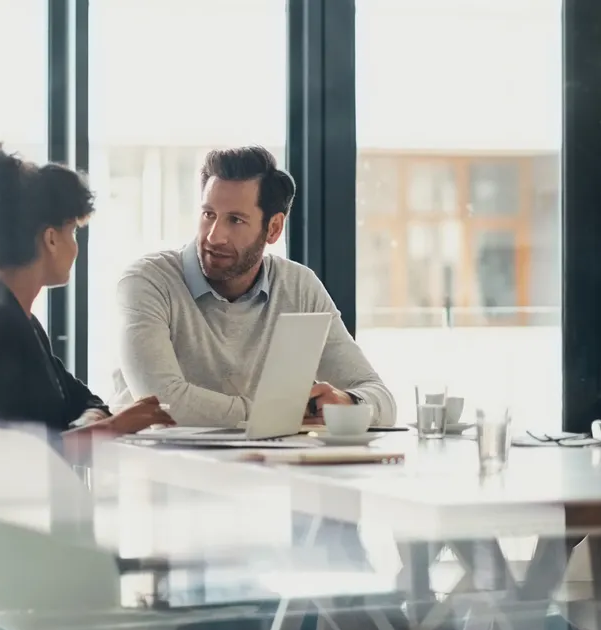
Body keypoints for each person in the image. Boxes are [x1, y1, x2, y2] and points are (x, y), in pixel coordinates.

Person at [110, 145, 396, 428]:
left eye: (235, 220)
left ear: (273, 229)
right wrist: (279, 413)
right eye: (209, 214)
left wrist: (348, 402)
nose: (214, 236)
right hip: (160, 469)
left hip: (265, 468)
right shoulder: (148, 281)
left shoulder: (298, 287)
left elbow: (380, 397)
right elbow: (161, 404)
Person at [0, 142, 173, 436]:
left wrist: (91, 419)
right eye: (72, 231)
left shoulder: (20, 319)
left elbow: (84, 400)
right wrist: (112, 426)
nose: (75, 247)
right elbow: (14, 453)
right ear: (51, 239)